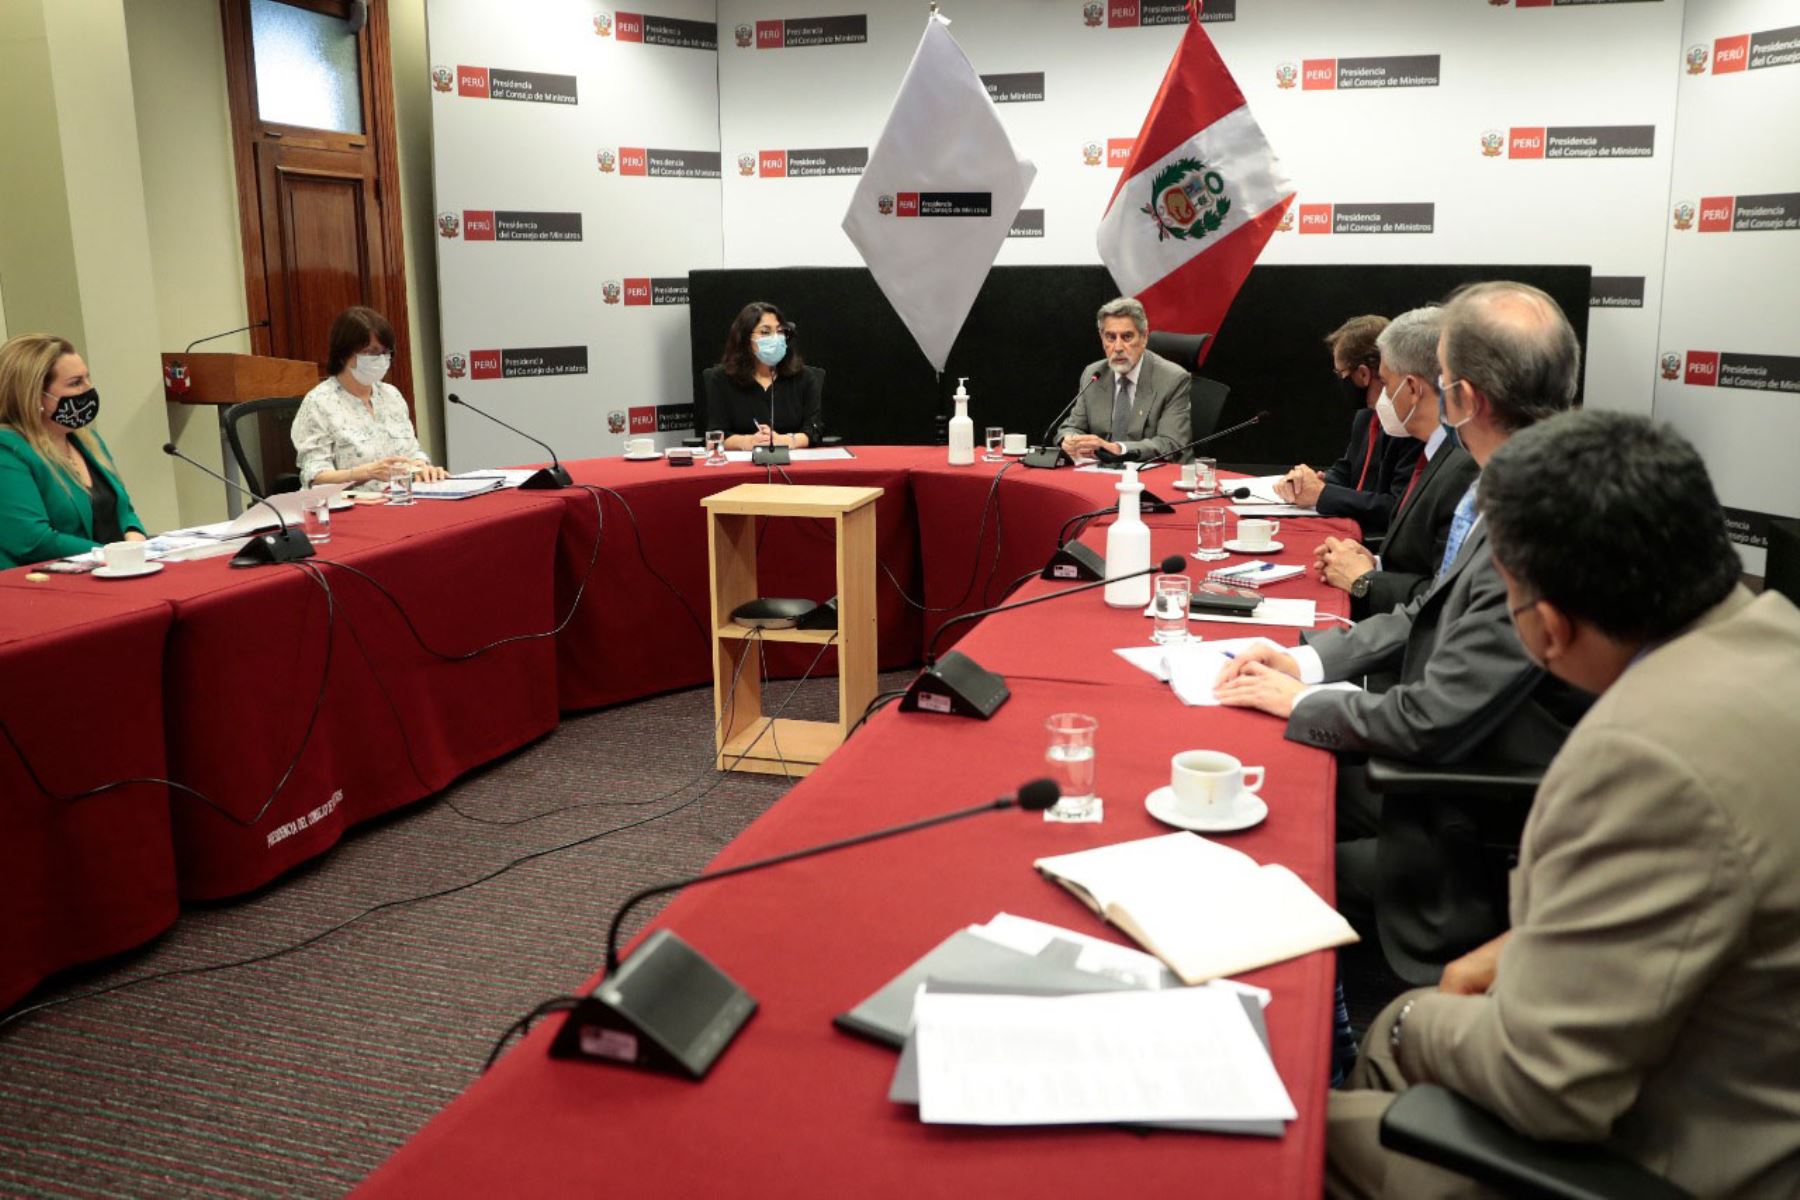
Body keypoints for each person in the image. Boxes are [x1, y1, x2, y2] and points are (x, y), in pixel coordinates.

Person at [1328, 410, 1800, 1200]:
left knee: (1305, 1130)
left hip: (1672, 1155)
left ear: (1546, 626)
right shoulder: (1775, 632)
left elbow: (1545, 1088)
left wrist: (1408, 1021)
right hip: (1736, 1053)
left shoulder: (1639, 756)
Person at [1215, 281, 1590, 982]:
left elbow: (1431, 720)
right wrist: (1308, 663)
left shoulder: (1539, 523)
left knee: (1256, 847)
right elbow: (1430, 611)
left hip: (1466, 823)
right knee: (1255, 779)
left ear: (1463, 398)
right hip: (1447, 765)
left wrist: (1300, 702)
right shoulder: (1518, 481)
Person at [1312, 307, 1480, 619]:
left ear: (1412, 388)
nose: (1381, 399)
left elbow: (1446, 601)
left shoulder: (1464, 467)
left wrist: (1365, 579)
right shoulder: (1439, 452)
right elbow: (1419, 561)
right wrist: (1373, 562)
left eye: (1387, 384)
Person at [0, 333, 146, 569]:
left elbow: (123, 509)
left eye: (88, 378)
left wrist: (134, 535)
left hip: (115, 570)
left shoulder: (87, 440)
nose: (89, 389)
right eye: (75, 382)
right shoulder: (8, 449)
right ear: (35, 395)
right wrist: (108, 554)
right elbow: (31, 540)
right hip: (47, 581)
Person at [1275, 314, 1420, 539]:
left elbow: (1397, 506)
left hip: (1378, 540)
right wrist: (1313, 482)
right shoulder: (1365, 416)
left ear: (1363, 374)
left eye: (1341, 374)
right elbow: (1347, 469)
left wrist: (1323, 494)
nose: (1340, 382)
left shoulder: (1410, 423)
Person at [291, 306, 447, 487]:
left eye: (385, 352)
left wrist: (423, 467)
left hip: (400, 497)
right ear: (344, 353)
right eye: (371, 352)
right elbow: (314, 476)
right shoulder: (319, 402)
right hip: (351, 501)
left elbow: (412, 452)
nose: (381, 359)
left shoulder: (391, 395)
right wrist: (366, 473)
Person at [1057, 296, 1190, 462]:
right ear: (1102, 338)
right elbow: (1072, 427)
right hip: (1103, 471)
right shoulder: (1094, 374)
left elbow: (1171, 443)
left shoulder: (1172, 379)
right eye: (1111, 337)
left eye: (1127, 337)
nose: (1118, 347)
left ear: (1144, 337)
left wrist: (1119, 449)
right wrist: (1070, 440)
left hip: (1153, 471)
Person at [701, 302, 824, 451]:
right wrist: (747, 442)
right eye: (765, 332)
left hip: (793, 460)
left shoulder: (804, 377)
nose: (775, 338)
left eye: (780, 331)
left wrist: (787, 440)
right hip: (743, 461)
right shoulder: (722, 378)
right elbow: (715, 436)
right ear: (745, 339)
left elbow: (814, 430)